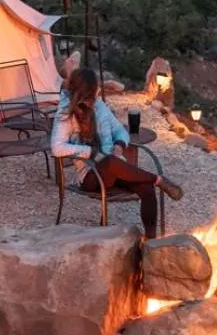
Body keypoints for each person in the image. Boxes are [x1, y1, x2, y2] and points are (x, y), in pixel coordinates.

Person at [51, 67, 182, 239]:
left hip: (113, 169)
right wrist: (89, 151)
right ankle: (158, 179)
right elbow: (56, 147)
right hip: (91, 176)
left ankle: (151, 242)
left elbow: (121, 131)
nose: (96, 94)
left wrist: (119, 145)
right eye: (92, 91)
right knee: (110, 162)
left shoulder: (100, 107)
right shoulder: (65, 114)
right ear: (82, 92)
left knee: (146, 188)